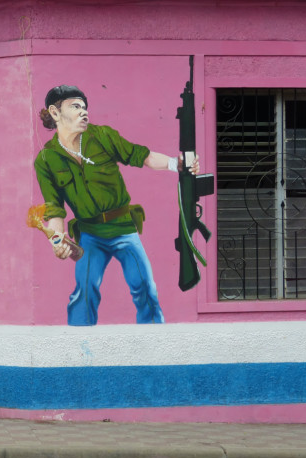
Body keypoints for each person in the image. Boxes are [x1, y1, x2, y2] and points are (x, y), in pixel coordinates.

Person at [34, 85, 199, 326]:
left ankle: (154, 341)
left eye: (85, 107)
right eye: (75, 106)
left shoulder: (103, 136)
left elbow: (142, 156)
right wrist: (57, 242)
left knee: (144, 287)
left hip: (123, 228)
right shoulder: (46, 159)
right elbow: (54, 209)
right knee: (84, 293)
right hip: (89, 235)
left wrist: (178, 164)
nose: (84, 112)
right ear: (55, 112)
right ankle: (80, 346)